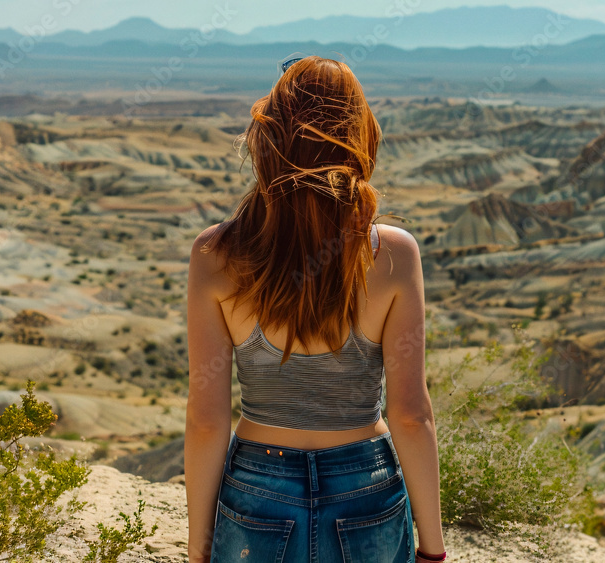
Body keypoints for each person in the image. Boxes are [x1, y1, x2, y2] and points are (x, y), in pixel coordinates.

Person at [184, 55, 446, 562]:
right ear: (360, 135)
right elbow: (411, 415)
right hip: (365, 482)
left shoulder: (215, 255)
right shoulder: (393, 254)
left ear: (269, 139)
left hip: (257, 486)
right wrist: (432, 550)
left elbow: (206, 421)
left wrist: (198, 550)